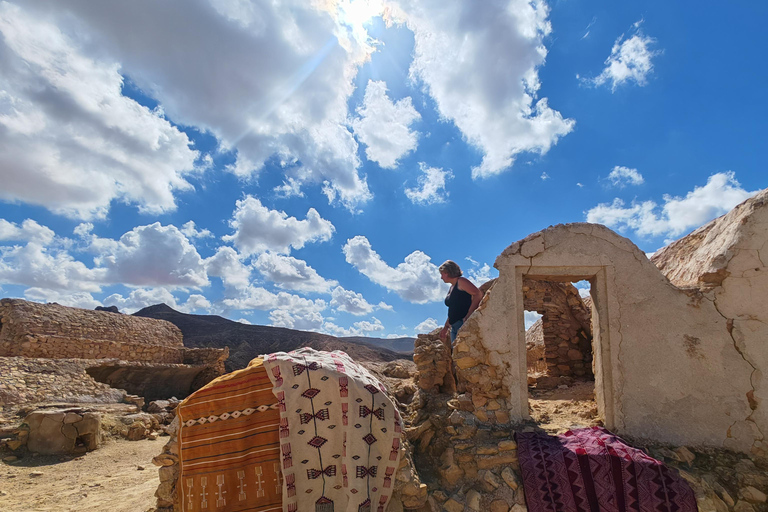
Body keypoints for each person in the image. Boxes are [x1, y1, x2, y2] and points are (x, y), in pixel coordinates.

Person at [438, 260, 483, 344]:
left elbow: (478, 294)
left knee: (463, 354)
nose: (441, 277)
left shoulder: (461, 282)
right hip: (453, 326)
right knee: (456, 355)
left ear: (447, 272)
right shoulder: (452, 287)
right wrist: (445, 327)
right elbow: (453, 308)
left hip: (462, 323)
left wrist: (469, 314)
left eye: (442, 274)